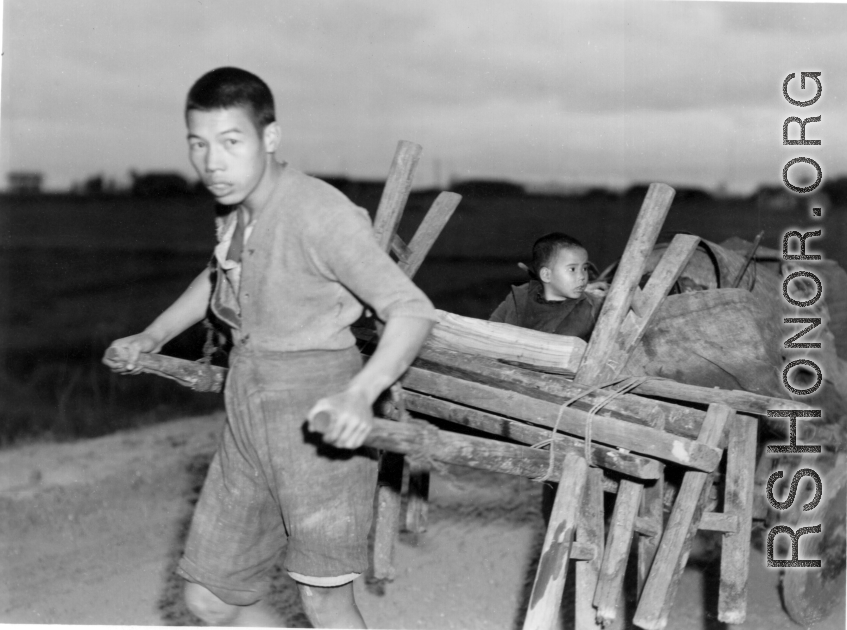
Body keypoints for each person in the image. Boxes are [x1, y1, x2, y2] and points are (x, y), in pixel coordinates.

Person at [103, 67, 436, 628]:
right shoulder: (235, 209)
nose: (213, 163)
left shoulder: (319, 212)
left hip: (320, 410)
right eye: (198, 145)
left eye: (231, 143)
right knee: (210, 598)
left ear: (270, 138)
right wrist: (152, 336)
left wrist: (360, 395)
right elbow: (218, 276)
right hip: (247, 414)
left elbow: (412, 310)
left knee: (324, 600)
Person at [489, 232, 602, 341]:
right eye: (572, 269)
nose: (582, 276)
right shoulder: (518, 299)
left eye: (584, 268)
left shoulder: (592, 309)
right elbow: (488, 334)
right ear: (546, 275)